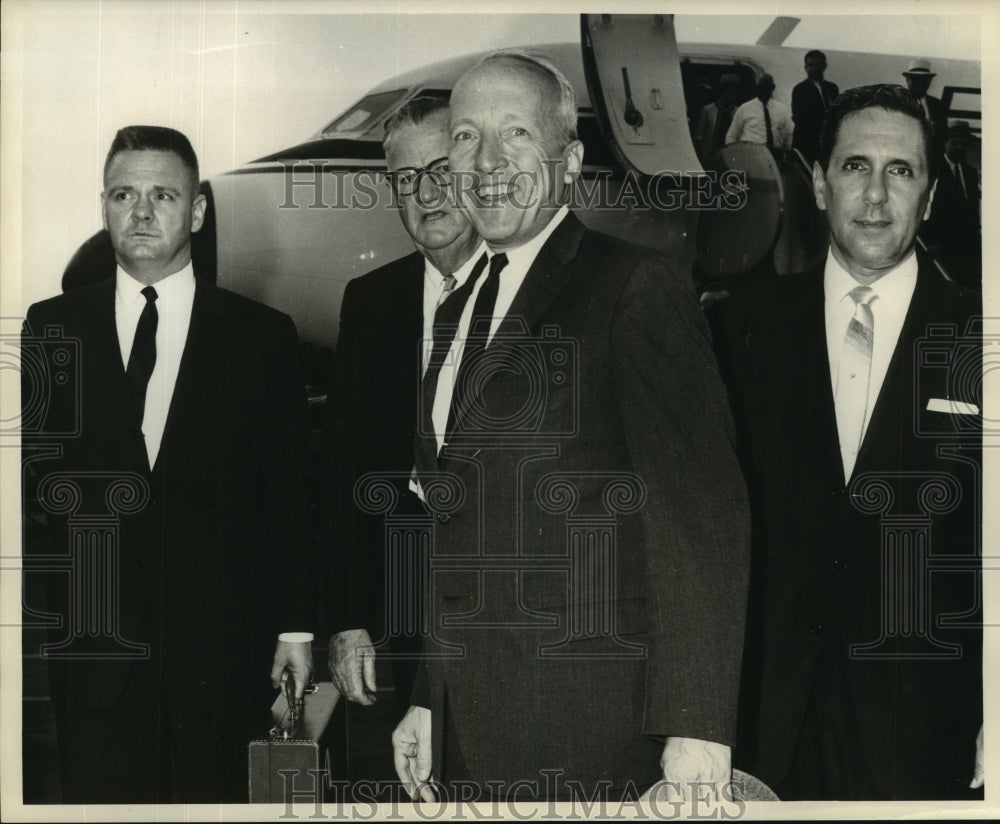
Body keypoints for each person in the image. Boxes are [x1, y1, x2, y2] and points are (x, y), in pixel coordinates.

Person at [391, 49, 751, 803]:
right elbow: (456, 528)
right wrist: (430, 693)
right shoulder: (454, 313)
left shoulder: (632, 287)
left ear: (571, 159)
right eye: (464, 136)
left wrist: (697, 728)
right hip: (468, 730)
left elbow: (699, 516)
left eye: (516, 133)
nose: (486, 160)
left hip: (593, 731)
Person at [22, 125, 314, 803]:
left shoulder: (262, 337)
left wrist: (296, 631)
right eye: (125, 194)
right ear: (103, 206)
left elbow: (287, 500)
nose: (143, 212)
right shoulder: (51, 329)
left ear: (199, 210)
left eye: (164, 195)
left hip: (221, 656)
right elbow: (35, 489)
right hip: (96, 658)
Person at [710, 85, 984, 800]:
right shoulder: (736, 329)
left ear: (929, 197)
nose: (876, 195)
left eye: (901, 171)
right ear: (820, 183)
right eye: (856, 166)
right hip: (764, 724)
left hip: (924, 726)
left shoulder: (978, 342)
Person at [325, 96, 483, 715]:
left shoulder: (535, 291)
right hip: (406, 612)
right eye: (406, 179)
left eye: (442, 171)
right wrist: (347, 618)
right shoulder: (370, 302)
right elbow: (344, 471)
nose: (427, 193)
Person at [924, 120, 981, 289]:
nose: (959, 147)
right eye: (955, 142)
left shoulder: (970, 173)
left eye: (964, 144)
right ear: (945, 143)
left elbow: (972, 211)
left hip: (967, 247)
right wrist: (930, 241)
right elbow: (925, 207)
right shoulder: (933, 170)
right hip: (941, 246)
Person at [791, 50, 839, 164]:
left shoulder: (832, 88)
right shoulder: (800, 90)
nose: (814, 68)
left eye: (818, 64)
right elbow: (801, 120)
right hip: (808, 146)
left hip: (827, 146)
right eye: (810, 65)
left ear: (824, 66)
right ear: (805, 67)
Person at [725, 73, 793, 153]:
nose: (764, 90)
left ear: (773, 88)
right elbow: (732, 136)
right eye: (761, 87)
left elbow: (789, 135)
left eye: (767, 87)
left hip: (774, 158)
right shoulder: (745, 108)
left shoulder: (782, 110)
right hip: (751, 156)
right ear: (757, 87)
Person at [692, 73, 741, 164]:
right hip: (709, 155)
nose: (733, 95)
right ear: (724, 92)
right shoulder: (708, 110)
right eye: (730, 92)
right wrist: (701, 155)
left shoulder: (738, 111)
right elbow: (699, 135)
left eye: (734, 93)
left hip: (730, 157)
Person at [902, 58, 947, 143]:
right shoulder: (895, 102)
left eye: (924, 79)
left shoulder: (938, 105)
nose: (920, 83)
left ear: (930, 81)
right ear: (907, 80)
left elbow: (943, 135)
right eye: (914, 79)